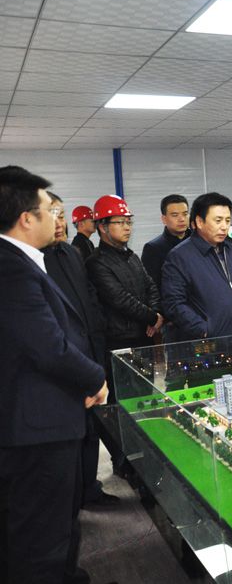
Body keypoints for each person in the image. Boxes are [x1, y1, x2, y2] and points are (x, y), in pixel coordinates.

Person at [0, 166, 108, 584]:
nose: (56, 218)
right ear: (26, 218)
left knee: (59, 522)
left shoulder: (26, 261)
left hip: (47, 416)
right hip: (35, 429)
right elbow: (49, 347)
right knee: (39, 535)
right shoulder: (10, 269)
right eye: (50, 210)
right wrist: (95, 379)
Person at [42, 193, 117, 507]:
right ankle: (70, 499)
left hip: (89, 354)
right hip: (62, 365)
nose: (58, 223)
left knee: (90, 428)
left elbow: (89, 298)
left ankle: (89, 489)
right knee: (67, 438)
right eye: (51, 215)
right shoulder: (32, 262)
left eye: (61, 215)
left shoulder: (71, 254)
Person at [162, 192, 232, 341]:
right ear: (200, 222)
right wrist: (204, 330)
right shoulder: (180, 256)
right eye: (218, 220)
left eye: (227, 220)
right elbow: (174, 303)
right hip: (209, 342)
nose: (224, 227)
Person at [86, 194, 163, 353]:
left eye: (129, 222)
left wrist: (156, 313)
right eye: (120, 222)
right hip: (119, 342)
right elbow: (121, 299)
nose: (127, 227)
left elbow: (150, 286)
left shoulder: (132, 256)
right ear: (103, 227)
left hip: (145, 335)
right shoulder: (96, 262)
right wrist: (153, 318)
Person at [141, 193, 190, 293]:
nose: (182, 219)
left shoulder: (199, 241)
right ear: (164, 219)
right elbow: (152, 288)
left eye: (185, 214)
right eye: (175, 215)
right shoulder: (153, 248)